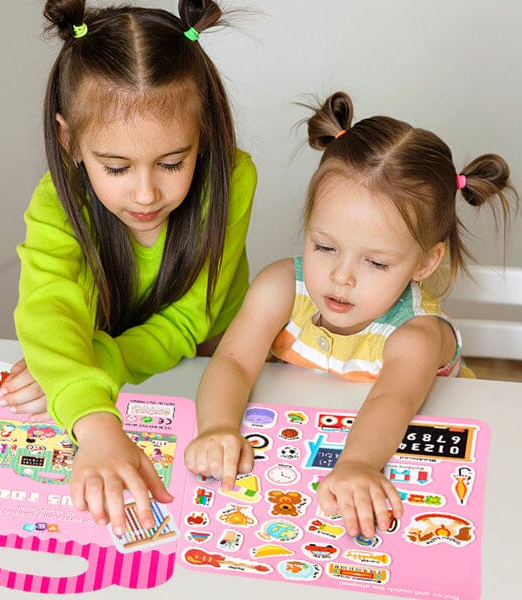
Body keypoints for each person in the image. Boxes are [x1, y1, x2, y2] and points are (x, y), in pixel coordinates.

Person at [184, 91, 516, 539]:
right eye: (324, 246)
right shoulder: (281, 287)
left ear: (424, 263)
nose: (341, 277)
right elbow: (233, 362)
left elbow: (391, 401)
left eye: (375, 263)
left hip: (404, 448)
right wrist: (218, 426)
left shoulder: (416, 335)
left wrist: (358, 463)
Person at [0, 0, 257, 537]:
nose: (145, 194)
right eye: (116, 167)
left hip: (210, 367)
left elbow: (188, 323)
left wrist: (86, 367)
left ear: (205, 131)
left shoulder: (232, 179)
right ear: (69, 140)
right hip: (111, 383)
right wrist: (90, 412)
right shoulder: (57, 200)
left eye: (172, 163)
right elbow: (48, 306)